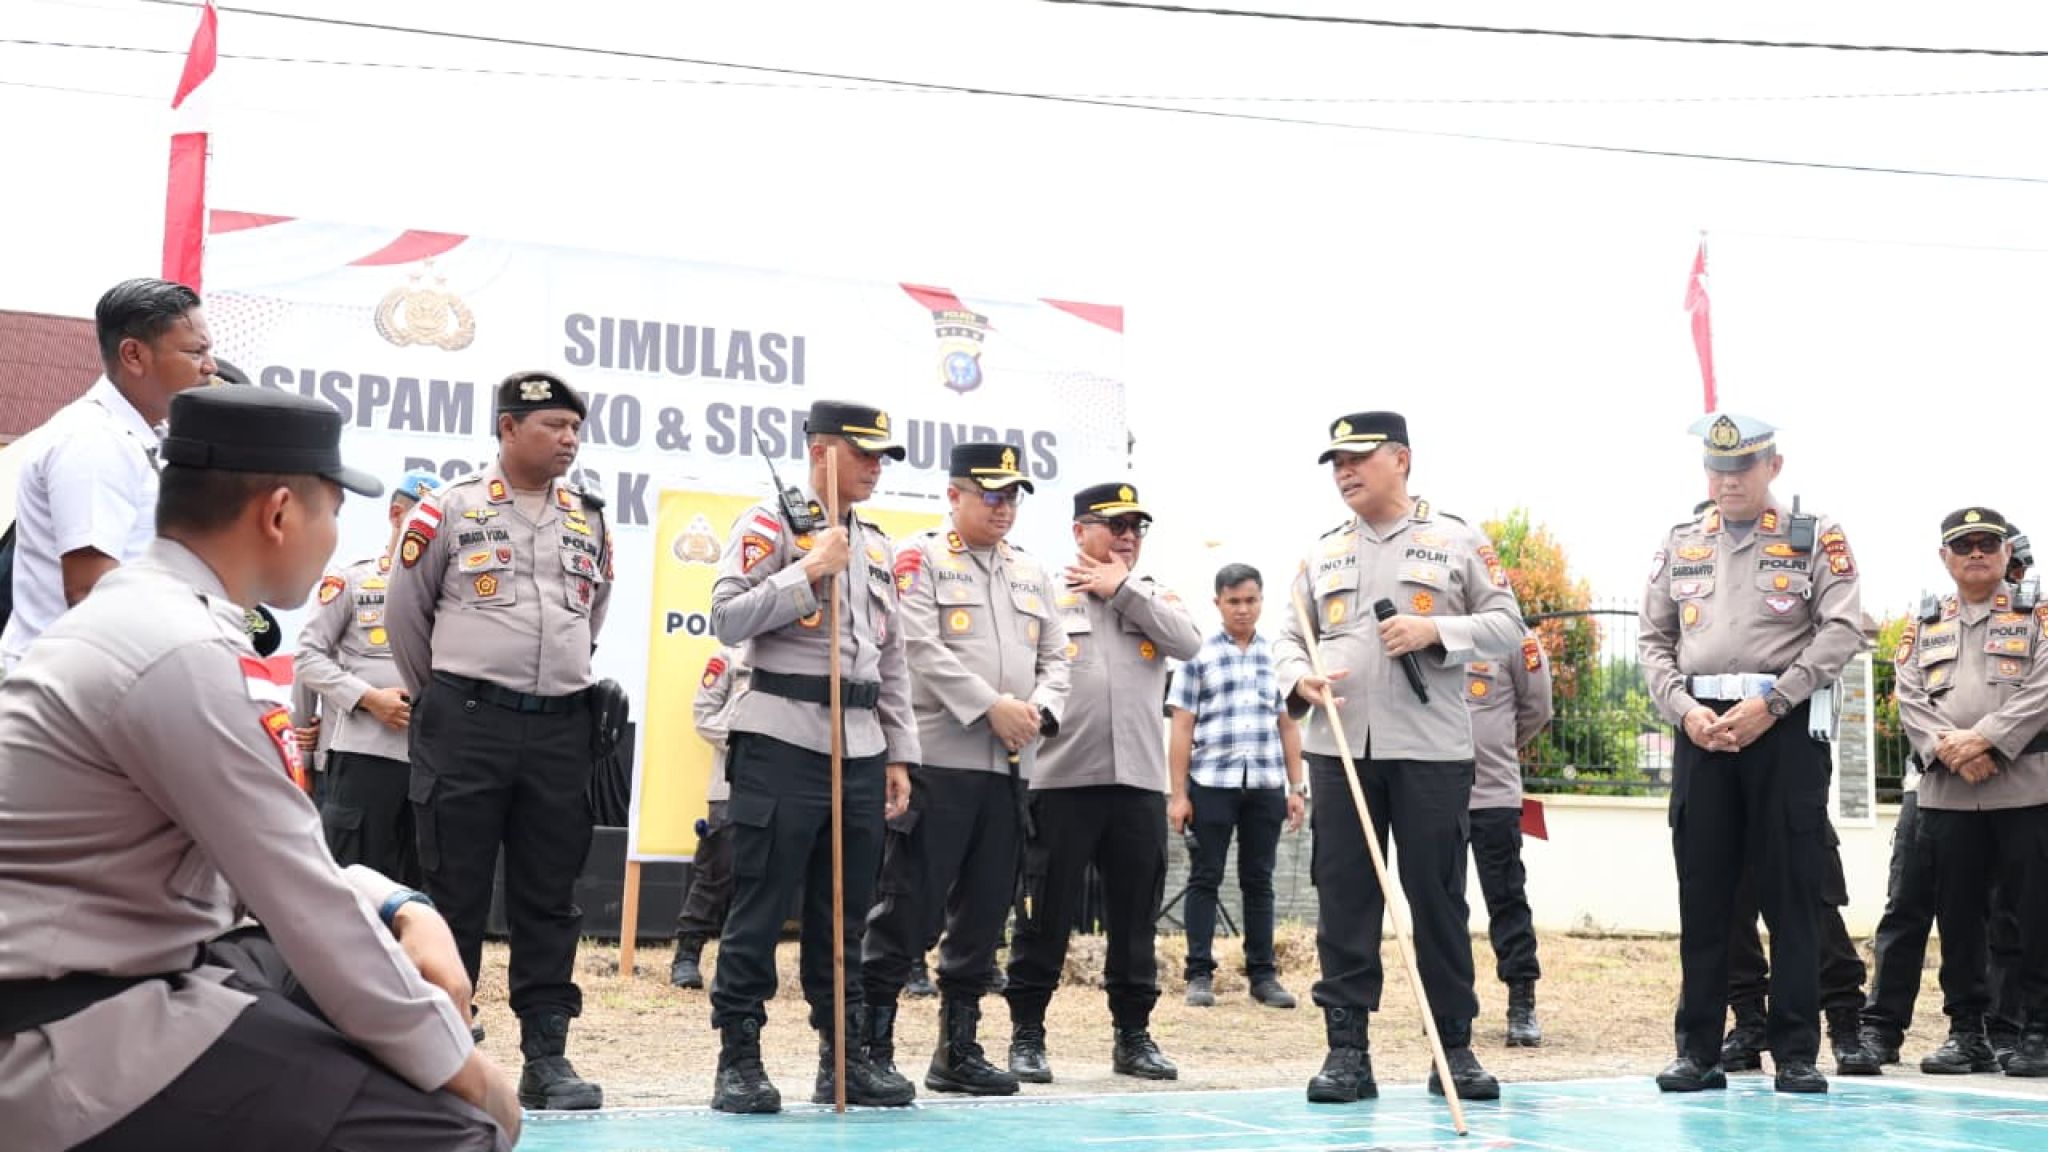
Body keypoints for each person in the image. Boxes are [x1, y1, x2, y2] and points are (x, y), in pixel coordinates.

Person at [0, 385, 519, 1150]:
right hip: (63, 1034)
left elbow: (283, 862)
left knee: (363, 979)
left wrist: (400, 903)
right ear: (279, 513)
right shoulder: (180, 650)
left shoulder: (154, 614)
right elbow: (299, 898)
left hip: (109, 972)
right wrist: (472, 1078)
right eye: (333, 509)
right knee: (450, 1131)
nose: (335, 533)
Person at [1275, 411, 1524, 1104]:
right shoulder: (1321, 553)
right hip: (1341, 752)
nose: (1344, 471)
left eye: (1358, 457)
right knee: (1345, 903)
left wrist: (1433, 629)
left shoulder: (1456, 540)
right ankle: (1347, 1054)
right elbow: (1287, 638)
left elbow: (1509, 625)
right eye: (1335, 462)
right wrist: (1299, 679)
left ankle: (1455, 1049)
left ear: (1402, 460)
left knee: (1438, 900)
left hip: (1431, 753)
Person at [386, 371, 613, 1112]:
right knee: (453, 887)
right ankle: (449, 1049)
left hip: (560, 729)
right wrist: (455, 696)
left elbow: (593, 615)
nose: (569, 440)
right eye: (554, 425)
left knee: (550, 897)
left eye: (576, 428)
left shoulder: (590, 518)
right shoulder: (448, 510)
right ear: (508, 428)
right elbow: (405, 617)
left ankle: (548, 1056)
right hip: (467, 722)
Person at [704, 400, 919, 1114]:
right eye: (865, 454)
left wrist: (899, 752)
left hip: (859, 746)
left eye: (882, 456)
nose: (876, 468)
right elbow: (727, 616)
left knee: (846, 912)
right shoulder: (769, 525)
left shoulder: (879, 546)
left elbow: (892, 661)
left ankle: (844, 1059)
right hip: (781, 740)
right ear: (822, 452)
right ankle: (739, 1058)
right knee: (761, 907)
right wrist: (807, 572)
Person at [1640, 412, 1864, 1096]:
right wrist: (1684, 711)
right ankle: (1699, 1050)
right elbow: (1653, 641)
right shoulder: (1682, 541)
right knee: (1704, 897)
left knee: (1792, 893)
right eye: (1715, 468)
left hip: (1783, 730)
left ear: (1773, 467)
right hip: (1702, 732)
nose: (1726, 480)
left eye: (1740, 468)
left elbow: (1843, 629)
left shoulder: (1813, 538)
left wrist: (1775, 703)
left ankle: (1796, 1052)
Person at [861, 442, 1070, 1098]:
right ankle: (872, 1046)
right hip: (938, 762)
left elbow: (1061, 659)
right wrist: (990, 707)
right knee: (909, 905)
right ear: (954, 495)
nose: (1002, 506)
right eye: (990, 494)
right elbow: (915, 646)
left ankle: (958, 1048)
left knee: (985, 909)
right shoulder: (918, 557)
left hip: (1010, 771)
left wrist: (1038, 709)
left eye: (1011, 496)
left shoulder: (1032, 573)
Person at [1004, 481, 1201, 1085]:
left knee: (1135, 919)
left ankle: (1133, 1037)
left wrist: (1125, 592)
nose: (1126, 537)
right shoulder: (1045, 593)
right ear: (1078, 532)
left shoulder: (1153, 597)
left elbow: (1189, 643)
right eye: (1113, 525)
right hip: (1060, 781)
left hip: (1138, 784)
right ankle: (1027, 1035)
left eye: (1136, 528)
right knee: (1045, 916)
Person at [1891, 507, 2048, 1079]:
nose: (1976, 553)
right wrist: (1949, 750)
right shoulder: (1923, 623)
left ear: (2007, 553)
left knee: (2032, 915)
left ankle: (2036, 1030)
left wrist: (1984, 741)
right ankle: (1967, 1033)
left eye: (1988, 544)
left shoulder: (2039, 617)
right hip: (1948, 795)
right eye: (1964, 545)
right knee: (1955, 920)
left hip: (2025, 792)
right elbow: (1909, 694)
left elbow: (2043, 688)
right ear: (1945, 558)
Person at [0, 278, 215, 671]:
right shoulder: (95, 441)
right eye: (195, 351)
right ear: (134, 355)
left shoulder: (145, 435)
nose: (209, 367)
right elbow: (89, 589)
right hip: (71, 688)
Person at [1167, 562, 1306, 1011]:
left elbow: (1288, 727)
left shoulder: (1277, 659)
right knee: (1205, 877)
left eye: (1250, 600)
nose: (1243, 610)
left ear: (1261, 600)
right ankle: (1199, 974)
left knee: (1259, 880)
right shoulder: (1198, 655)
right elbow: (1182, 728)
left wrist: (1296, 787)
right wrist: (1179, 794)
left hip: (1265, 784)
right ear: (1218, 603)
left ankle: (1263, 976)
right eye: (1233, 602)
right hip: (1212, 783)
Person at [297, 467, 444, 888]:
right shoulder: (355, 579)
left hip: (430, 764)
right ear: (397, 515)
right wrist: (367, 698)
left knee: (418, 887)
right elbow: (308, 657)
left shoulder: (451, 593)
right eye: (421, 520)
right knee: (353, 883)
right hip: (364, 757)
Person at [1463, 629, 1554, 1047]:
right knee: (1440, 903)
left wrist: (1497, 744)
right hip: (1433, 793)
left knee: (1506, 898)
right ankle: (1452, 1005)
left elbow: (1537, 708)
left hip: (1493, 792)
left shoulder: (1516, 639)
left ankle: (1522, 1003)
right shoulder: (1430, 630)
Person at [670, 645, 748, 990]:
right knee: (716, 871)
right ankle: (688, 954)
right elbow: (704, 717)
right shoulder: (730, 657)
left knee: (767, 878)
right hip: (730, 786)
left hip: (786, 786)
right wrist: (750, 738)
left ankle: (740, 963)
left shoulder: (800, 652)